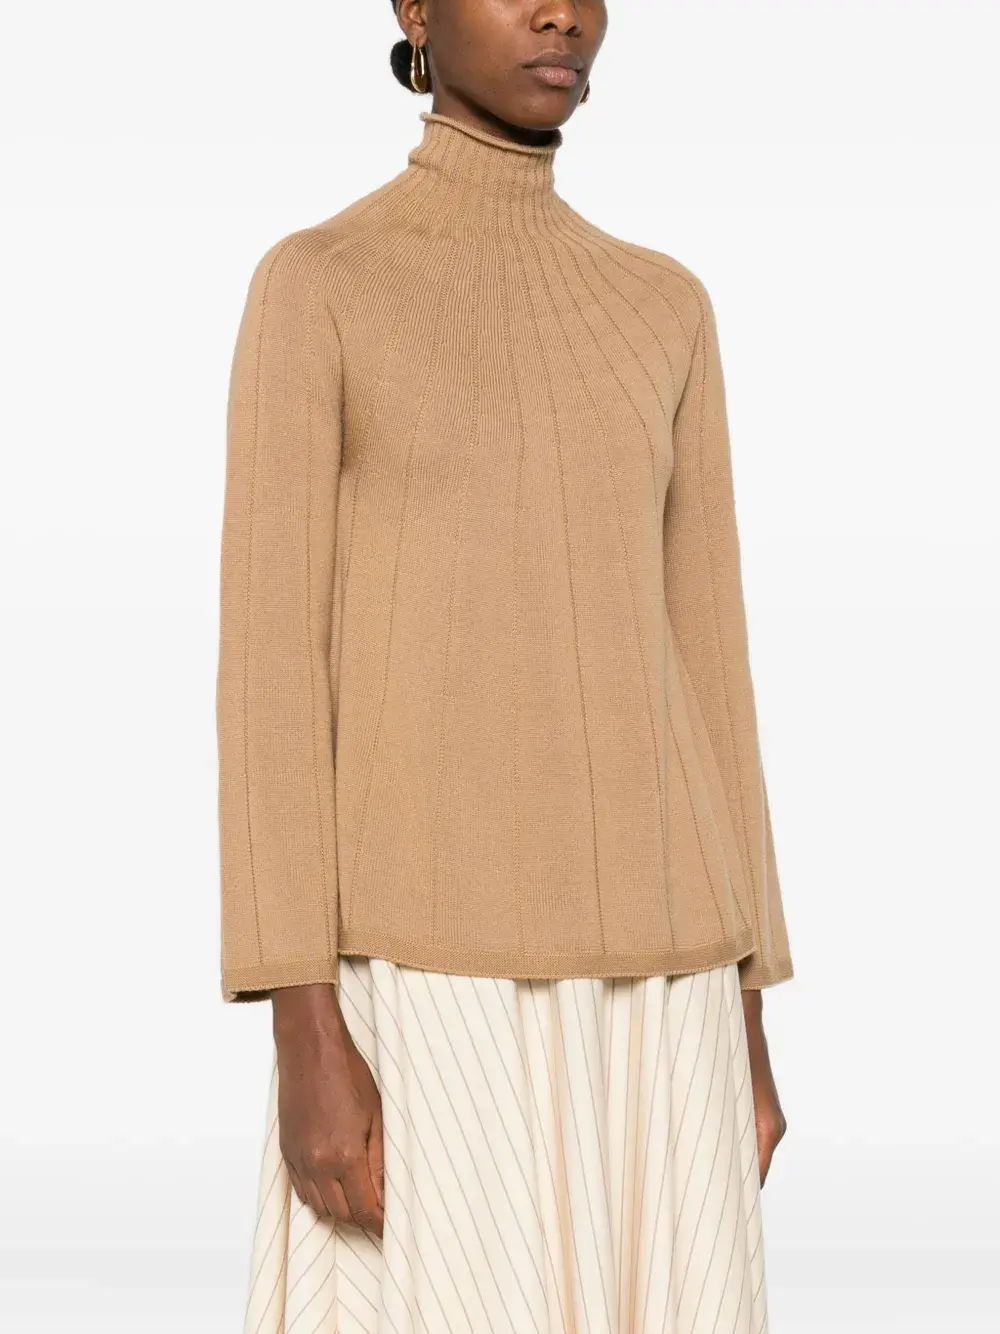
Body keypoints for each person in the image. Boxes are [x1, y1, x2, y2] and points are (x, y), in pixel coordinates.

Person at [215, 2, 793, 1330]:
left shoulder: (665, 306)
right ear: (414, 8)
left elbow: (712, 673)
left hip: (669, 1001)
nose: (561, 13)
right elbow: (269, 675)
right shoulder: (321, 284)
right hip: (422, 989)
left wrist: (749, 1018)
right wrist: (302, 1018)